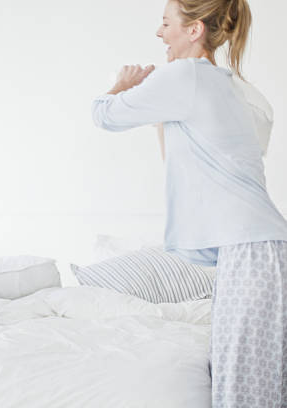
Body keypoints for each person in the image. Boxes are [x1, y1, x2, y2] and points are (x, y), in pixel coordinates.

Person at [91, 0, 287, 406]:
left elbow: (103, 115)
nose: (159, 33)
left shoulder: (183, 75)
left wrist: (122, 84)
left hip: (252, 251)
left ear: (195, 29)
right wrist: (156, 110)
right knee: (247, 384)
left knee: (243, 391)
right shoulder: (222, 83)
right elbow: (182, 163)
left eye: (166, 23)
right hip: (259, 249)